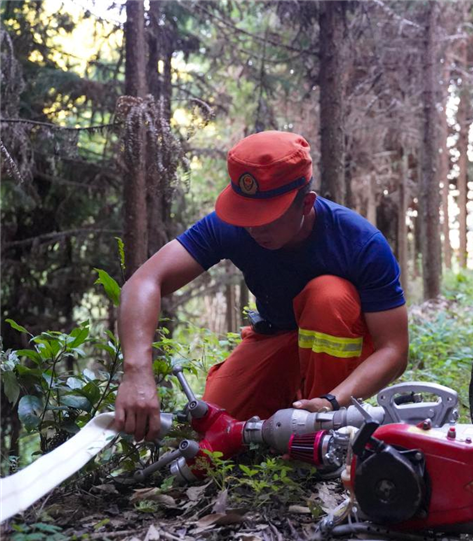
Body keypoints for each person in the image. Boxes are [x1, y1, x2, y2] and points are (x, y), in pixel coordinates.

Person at [113, 131, 408, 441]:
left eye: (267, 217)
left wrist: (332, 401)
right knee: (216, 429)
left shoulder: (360, 243)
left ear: (306, 203)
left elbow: (394, 349)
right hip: (276, 335)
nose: (253, 227)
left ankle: (325, 431)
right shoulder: (232, 227)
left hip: (339, 352)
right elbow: (144, 281)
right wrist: (137, 372)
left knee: (328, 295)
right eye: (245, 214)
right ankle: (287, 409)